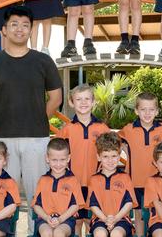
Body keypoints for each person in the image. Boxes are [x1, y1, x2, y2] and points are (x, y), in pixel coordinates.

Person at [0, 6, 63, 225]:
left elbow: (56, 98)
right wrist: (2, 117)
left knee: (37, 196)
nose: (20, 29)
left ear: (31, 30)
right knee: (3, 196)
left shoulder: (43, 61)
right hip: (2, 139)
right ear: (4, 30)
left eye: (25, 25)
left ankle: (36, 231)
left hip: (37, 139)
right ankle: (5, 231)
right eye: (14, 24)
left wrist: (37, 117)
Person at [58, 84, 111, 236]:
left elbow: (114, 149)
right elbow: (56, 152)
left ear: (94, 102)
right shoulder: (67, 129)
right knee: (76, 221)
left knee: (91, 221)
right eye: (79, 99)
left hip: (96, 183)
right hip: (73, 183)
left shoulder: (102, 128)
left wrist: (104, 167)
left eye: (87, 99)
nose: (83, 102)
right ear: (71, 102)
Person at [118, 92, 162, 237]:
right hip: (135, 180)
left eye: (151, 109)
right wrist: (125, 151)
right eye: (143, 109)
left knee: (154, 214)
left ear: (157, 111)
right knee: (139, 215)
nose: (147, 113)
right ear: (136, 110)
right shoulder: (128, 129)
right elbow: (116, 141)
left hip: (156, 181)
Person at [87, 132, 137, 237]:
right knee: (100, 234)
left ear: (119, 157)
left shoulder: (125, 178)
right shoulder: (94, 179)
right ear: (98, 157)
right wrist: (106, 219)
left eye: (114, 156)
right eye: (105, 156)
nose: (110, 160)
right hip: (99, 219)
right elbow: (93, 205)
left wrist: (116, 219)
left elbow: (129, 203)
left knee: (116, 234)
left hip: (122, 219)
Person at [33, 138, 85, 237]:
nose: (58, 164)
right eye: (54, 160)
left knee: (58, 233)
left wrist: (60, 219)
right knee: (46, 233)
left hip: (66, 220)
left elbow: (76, 205)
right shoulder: (43, 180)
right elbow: (36, 205)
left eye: (62, 160)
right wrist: (46, 217)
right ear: (47, 158)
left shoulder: (73, 180)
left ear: (68, 159)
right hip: (45, 219)